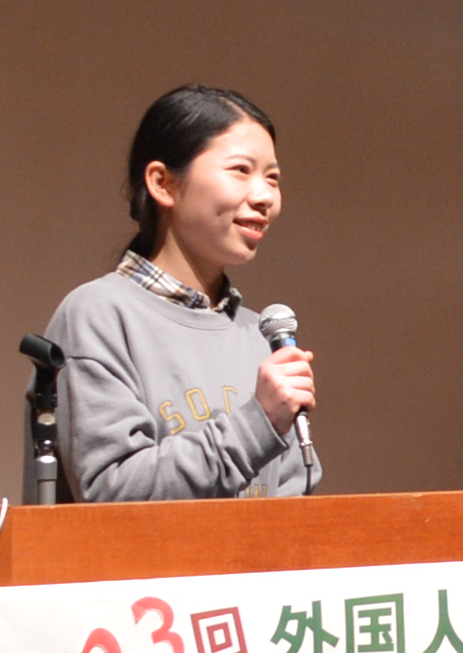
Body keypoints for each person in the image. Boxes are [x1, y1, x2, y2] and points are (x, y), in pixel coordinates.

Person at [36, 84, 323, 500]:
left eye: (273, 178)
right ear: (163, 183)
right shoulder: (99, 315)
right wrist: (258, 422)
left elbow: (295, 500)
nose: (265, 197)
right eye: (241, 170)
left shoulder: (260, 337)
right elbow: (112, 492)